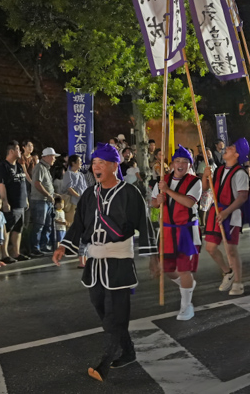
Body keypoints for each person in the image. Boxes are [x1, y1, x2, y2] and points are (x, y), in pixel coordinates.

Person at [53, 143, 158, 382]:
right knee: (101, 307)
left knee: (115, 314)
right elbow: (79, 224)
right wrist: (63, 246)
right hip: (94, 262)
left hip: (119, 262)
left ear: (113, 166)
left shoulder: (130, 193)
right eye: (94, 163)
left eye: (101, 163)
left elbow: (144, 224)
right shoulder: (90, 194)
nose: (95, 167)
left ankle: (105, 361)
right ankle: (128, 351)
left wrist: (153, 256)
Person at [150, 145, 202, 321]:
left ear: (189, 165)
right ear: (172, 164)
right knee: (166, 268)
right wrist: (158, 200)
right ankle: (187, 286)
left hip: (185, 229)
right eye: (177, 161)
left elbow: (188, 202)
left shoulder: (195, 181)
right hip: (166, 230)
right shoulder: (163, 180)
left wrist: (168, 192)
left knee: (184, 268)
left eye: (185, 162)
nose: (181, 164)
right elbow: (153, 203)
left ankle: (186, 306)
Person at [203, 138, 250, 297]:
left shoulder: (241, 173)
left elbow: (242, 197)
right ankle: (227, 272)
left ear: (237, 154)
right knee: (210, 247)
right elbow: (205, 188)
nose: (227, 148)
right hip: (216, 211)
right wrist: (205, 176)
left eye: (231, 148)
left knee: (231, 250)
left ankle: (238, 282)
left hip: (231, 213)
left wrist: (227, 212)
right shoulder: (219, 170)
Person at [0, 141, 29, 263]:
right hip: (11, 202)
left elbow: (23, 183)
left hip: (21, 202)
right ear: (11, 151)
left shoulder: (19, 166)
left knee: (18, 229)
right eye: (18, 149)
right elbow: (1, 185)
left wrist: (26, 199)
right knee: (8, 228)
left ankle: (16, 252)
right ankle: (4, 254)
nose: (20, 152)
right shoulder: (3, 167)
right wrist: (4, 202)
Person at [30, 147, 59, 256]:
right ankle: (35, 248)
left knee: (47, 225)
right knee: (39, 225)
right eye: (52, 156)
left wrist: (52, 194)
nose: (54, 159)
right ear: (45, 157)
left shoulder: (45, 168)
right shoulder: (40, 167)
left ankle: (43, 245)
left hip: (46, 200)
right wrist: (48, 195)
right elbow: (37, 183)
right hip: (40, 200)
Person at [60, 155, 87, 226]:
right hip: (72, 203)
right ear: (73, 163)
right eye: (79, 161)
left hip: (81, 203)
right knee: (71, 223)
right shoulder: (68, 174)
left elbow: (84, 187)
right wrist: (78, 197)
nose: (81, 163)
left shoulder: (81, 175)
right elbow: (69, 188)